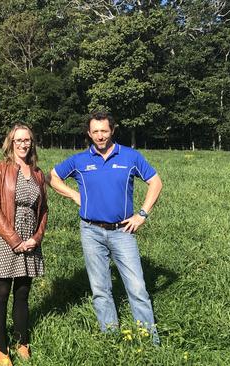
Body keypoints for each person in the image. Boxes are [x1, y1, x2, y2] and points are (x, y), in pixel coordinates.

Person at [49, 111, 162, 344]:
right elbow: (52, 176)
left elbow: (155, 182)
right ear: (89, 133)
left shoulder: (130, 156)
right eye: (95, 131)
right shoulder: (79, 160)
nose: (100, 136)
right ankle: (110, 336)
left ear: (112, 131)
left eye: (104, 131)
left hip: (123, 231)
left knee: (137, 287)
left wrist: (141, 215)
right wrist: (74, 195)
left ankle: (149, 339)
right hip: (90, 231)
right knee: (100, 287)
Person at [0, 124, 48, 365]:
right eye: (19, 140)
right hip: (4, 238)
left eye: (28, 140)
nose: (24, 144)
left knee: (22, 294)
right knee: (1, 294)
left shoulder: (38, 173)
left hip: (30, 240)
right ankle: (1, 349)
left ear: (32, 143)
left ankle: (22, 342)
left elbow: (43, 211)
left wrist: (35, 238)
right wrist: (14, 240)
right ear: (11, 142)